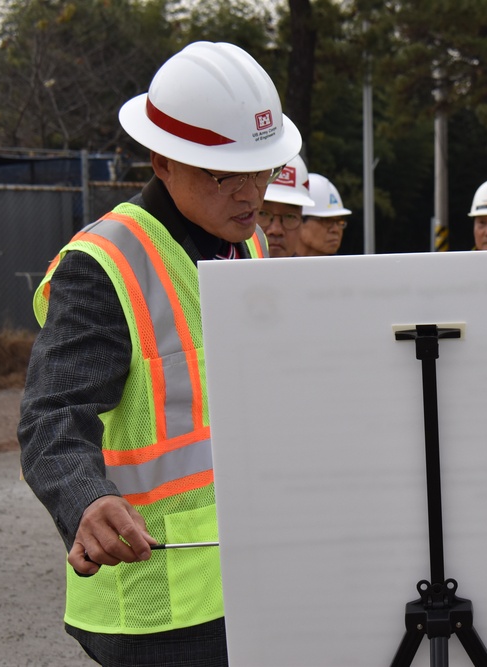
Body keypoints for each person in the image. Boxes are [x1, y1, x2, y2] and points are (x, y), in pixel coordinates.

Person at [17, 41, 301, 667]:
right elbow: (50, 417)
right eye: (224, 175)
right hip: (157, 603)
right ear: (163, 162)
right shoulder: (107, 265)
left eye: (262, 171)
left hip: (241, 578)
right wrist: (86, 499)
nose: (251, 194)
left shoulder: (243, 249)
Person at [257, 154, 315, 257]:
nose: (276, 230)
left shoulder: (314, 273)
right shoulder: (223, 270)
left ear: (302, 224)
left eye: (290, 216)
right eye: (263, 213)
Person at [290, 172, 350, 256]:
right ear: (298, 221)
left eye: (339, 222)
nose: (336, 230)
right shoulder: (275, 266)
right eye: (326, 220)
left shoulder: (344, 268)